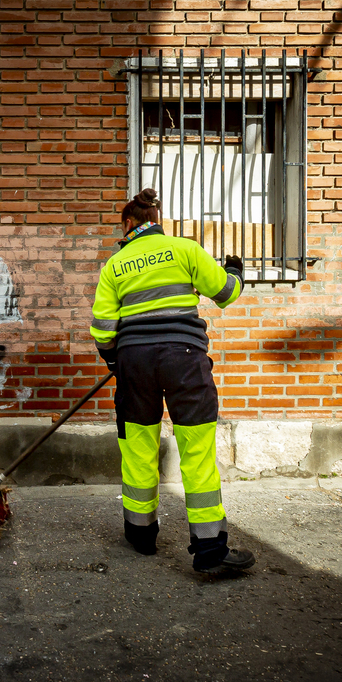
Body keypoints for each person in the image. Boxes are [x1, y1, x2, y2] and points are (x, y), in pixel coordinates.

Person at [90, 188, 255, 573]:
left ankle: (140, 534)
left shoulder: (114, 264)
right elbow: (226, 293)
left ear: (129, 224)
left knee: (138, 445)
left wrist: (118, 359)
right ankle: (211, 549)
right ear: (156, 221)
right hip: (184, 358)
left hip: (135, 361)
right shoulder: (184, 249)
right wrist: (235, 272)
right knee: (195, 447)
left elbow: (102, 329)